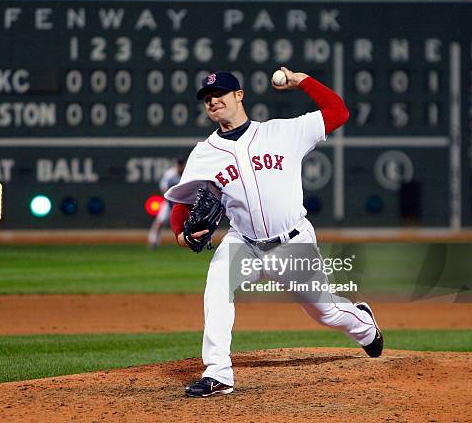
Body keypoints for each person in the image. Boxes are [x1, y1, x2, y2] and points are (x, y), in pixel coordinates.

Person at [164, 68, 384, 398]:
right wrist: (180, 234)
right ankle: (218, 372)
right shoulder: (204, 153)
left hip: (292, 241)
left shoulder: (282, 132)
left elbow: (338, 112)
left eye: (220, 94)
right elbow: (182, 203)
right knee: (217, 286)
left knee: (325, 311)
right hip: (243, 243)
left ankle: (363, 325)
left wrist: (302, 81)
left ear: (239, 95)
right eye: (208, 98)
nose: (213, 101)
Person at [147, 157, 185, 249]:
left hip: (183, 202)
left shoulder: (187, 173)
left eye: (181, 165)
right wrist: (170, 201)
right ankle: (153, 241)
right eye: (178, 164)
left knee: (192, 221)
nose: (180, 167)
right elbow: (163, 188)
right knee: (159, 222)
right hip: (169, 201)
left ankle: (195, 241)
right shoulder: (170, 174)